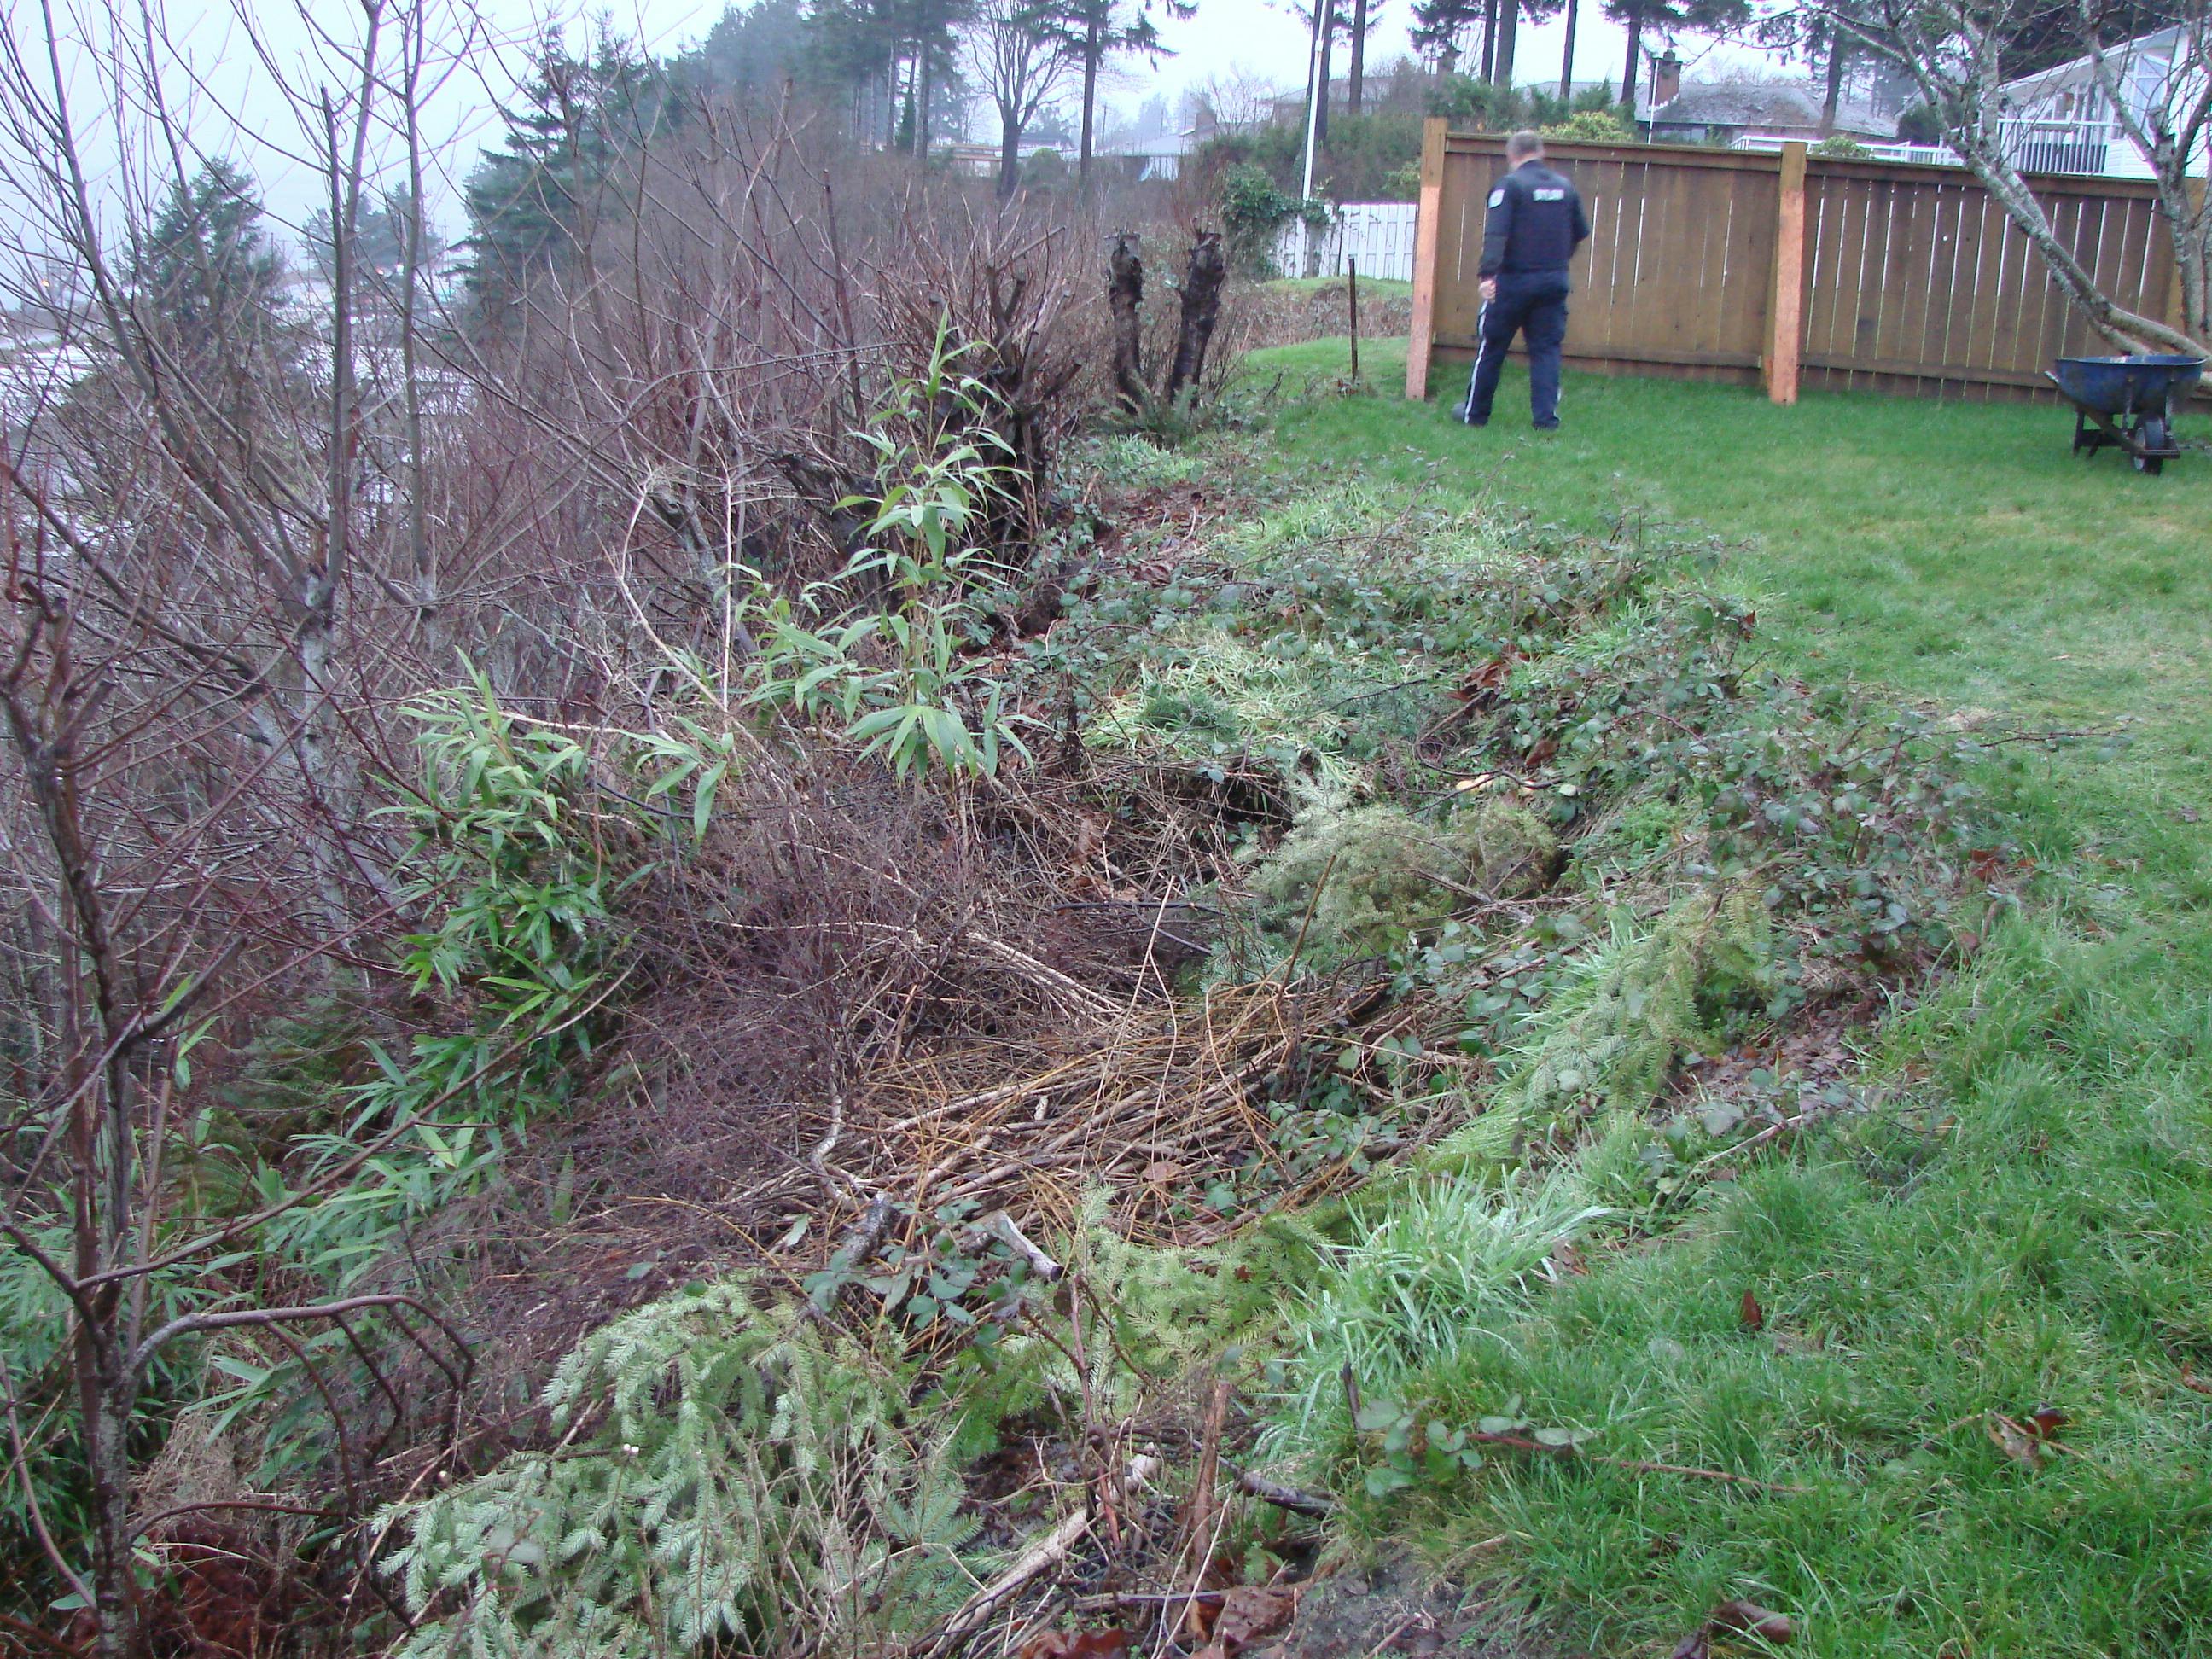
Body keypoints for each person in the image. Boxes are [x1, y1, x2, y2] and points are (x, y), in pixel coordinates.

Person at [1458, 131, 1591, 431]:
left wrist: (1487, 276)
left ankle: (1475, 416)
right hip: (1553, 281)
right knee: (1546, 351)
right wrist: (1558, 260)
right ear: (1541, 152)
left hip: (1512, 283)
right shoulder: (1565, 187)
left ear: (1512, 155)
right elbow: (1581, 231)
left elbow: (1496, 234)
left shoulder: (1509, 186)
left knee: (1491, 348)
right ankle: (1546, 421)